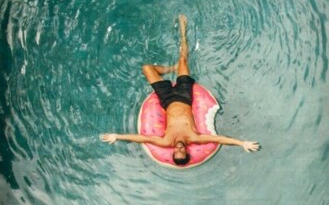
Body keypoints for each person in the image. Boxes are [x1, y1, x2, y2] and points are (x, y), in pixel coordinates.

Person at [101, 15, 259, 164]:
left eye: (177, 151)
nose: (179, 147)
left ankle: (171, 68)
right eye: (182, 151)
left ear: (173, 152)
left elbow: (142, 138)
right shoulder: (194, 138)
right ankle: (183, 30)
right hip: (184, 95)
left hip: (166, 99)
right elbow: (219, 139)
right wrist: (242, 143)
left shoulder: (166, 141)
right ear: (187, 151)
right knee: (183, 59)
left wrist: (117, 136)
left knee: (147, 68)